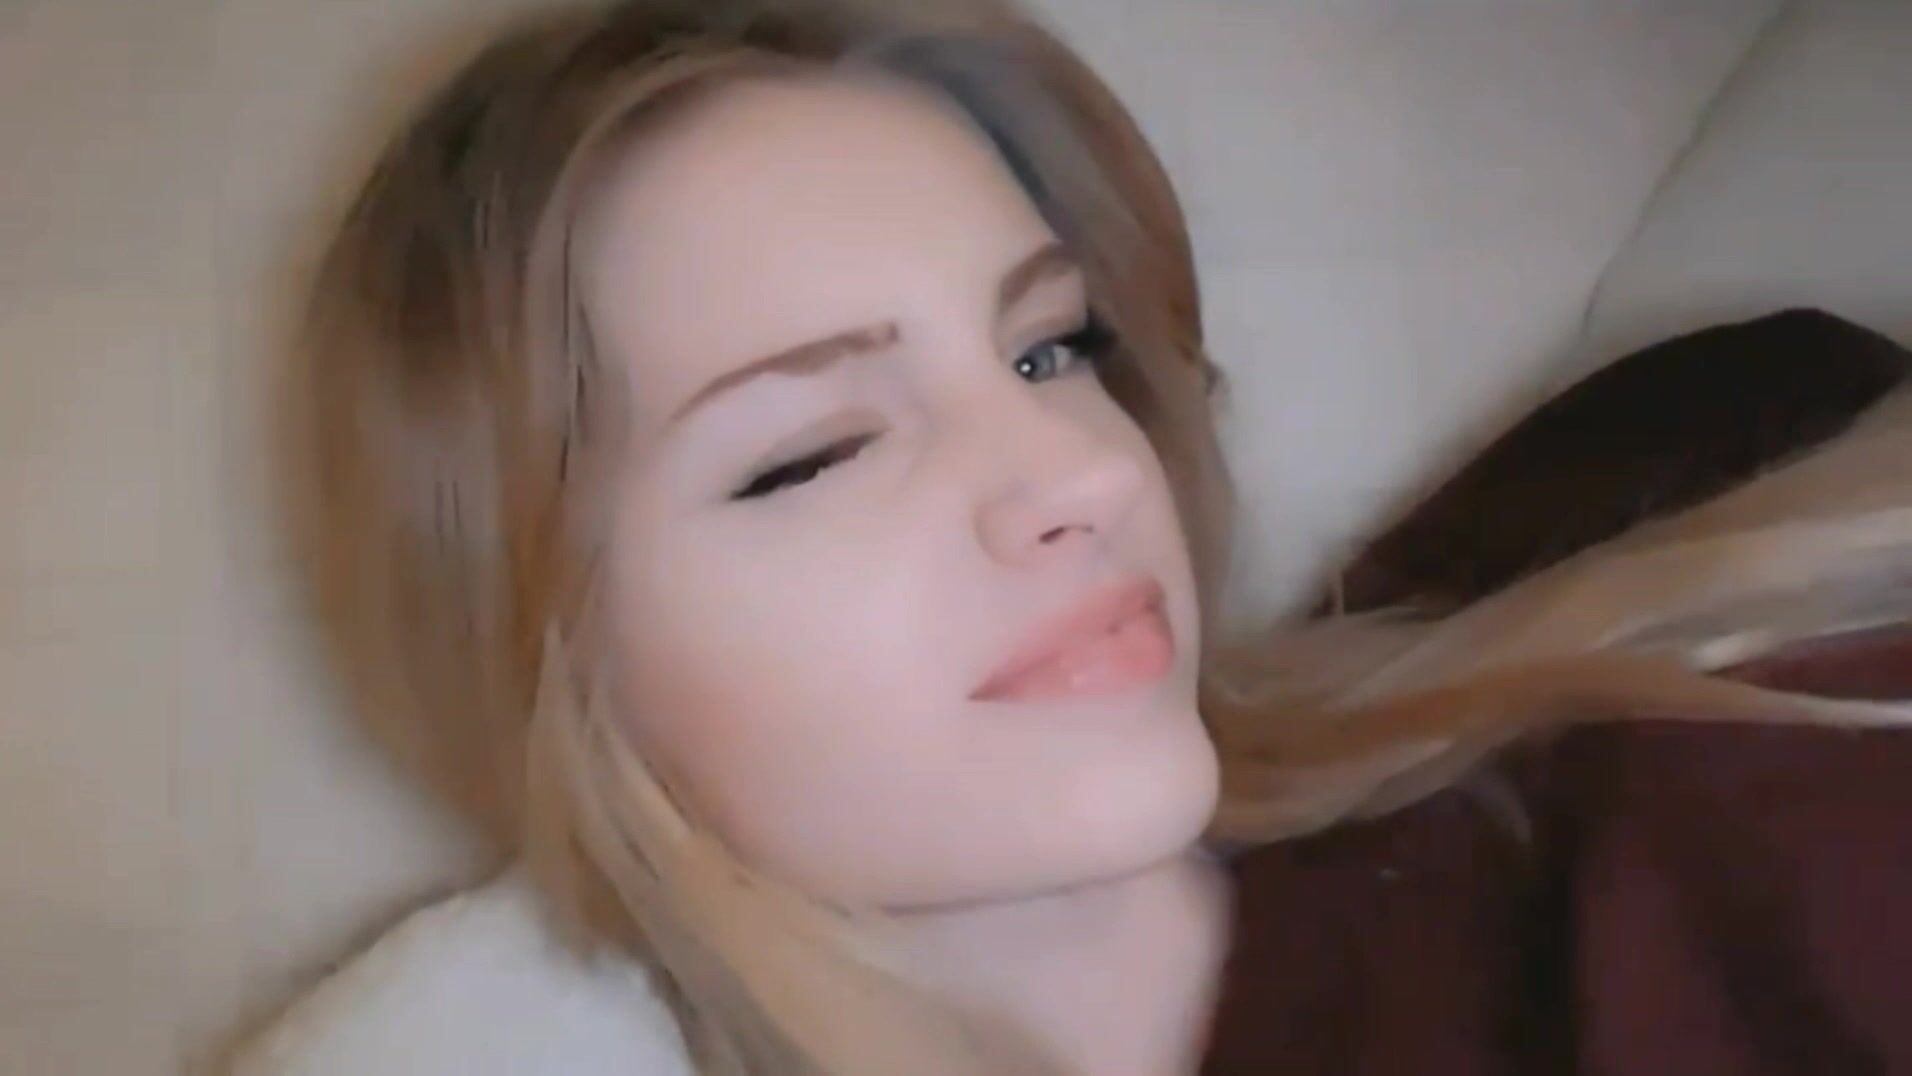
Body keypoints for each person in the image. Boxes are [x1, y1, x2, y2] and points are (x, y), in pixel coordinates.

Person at [251, 1, 1912, 1072]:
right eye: (816, 451)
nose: (1075, 474)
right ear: (550, 658)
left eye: (1052, 350)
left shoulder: (1697, 708)